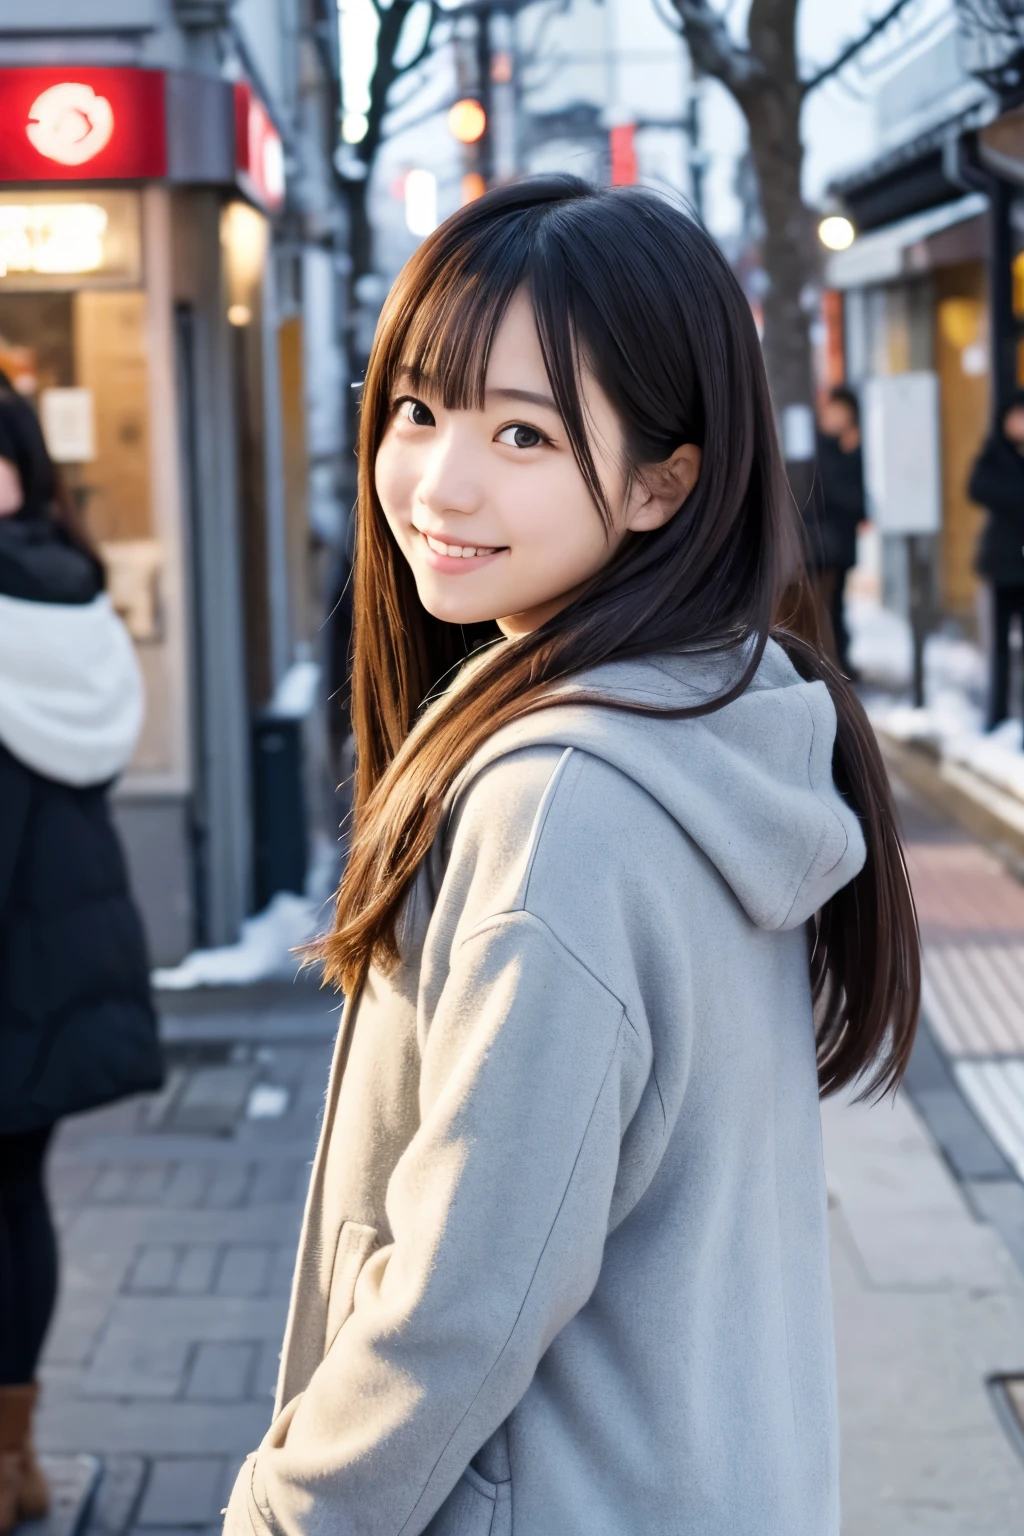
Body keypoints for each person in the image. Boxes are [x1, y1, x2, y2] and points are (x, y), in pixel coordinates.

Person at [223, 178, 919, 1536]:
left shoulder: (564, 804)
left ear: (668, 481)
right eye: (419, 410)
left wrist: (281, 1512)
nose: (441, 480)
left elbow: (463, 1303)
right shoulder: (712, 714)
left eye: (524, 432)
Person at [0, 381, 162, 1532]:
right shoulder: (71, 595)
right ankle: (16, 1457)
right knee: (18, 1205)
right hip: (58, 967)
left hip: (17, 958)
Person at [969, 393, 1024, 730]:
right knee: (1000, 647)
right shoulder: (994, 454)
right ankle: (998, 715)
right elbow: (977, 488)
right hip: (1002, 565)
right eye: (1015, 416)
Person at [808, 384, 865, 677]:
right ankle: (829, 662)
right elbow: (832, 491)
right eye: (829, 410)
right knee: (821, 604)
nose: (831, 416)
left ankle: (838, 659)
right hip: (818, 541)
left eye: (839, 411)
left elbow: (864, 499)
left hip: (840, 540)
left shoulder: (855, 446)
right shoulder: (817, 447)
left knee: (836, 603)